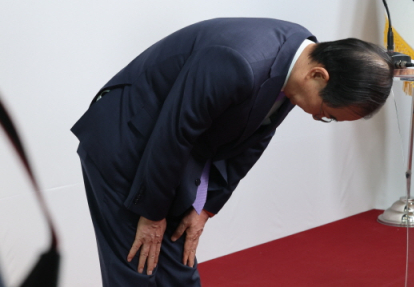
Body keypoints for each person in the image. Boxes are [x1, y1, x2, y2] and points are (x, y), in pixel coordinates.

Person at [71, 17, 394, 287]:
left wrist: (205, 206)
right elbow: (174, 133)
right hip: (126, 137)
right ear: (318, 75)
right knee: (138, 264)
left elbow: (254, 139)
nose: (318, 117)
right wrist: (153, 214)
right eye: (327, 113)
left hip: (171, 151)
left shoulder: (297, 63)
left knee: (178, 265)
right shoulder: (239, 61)